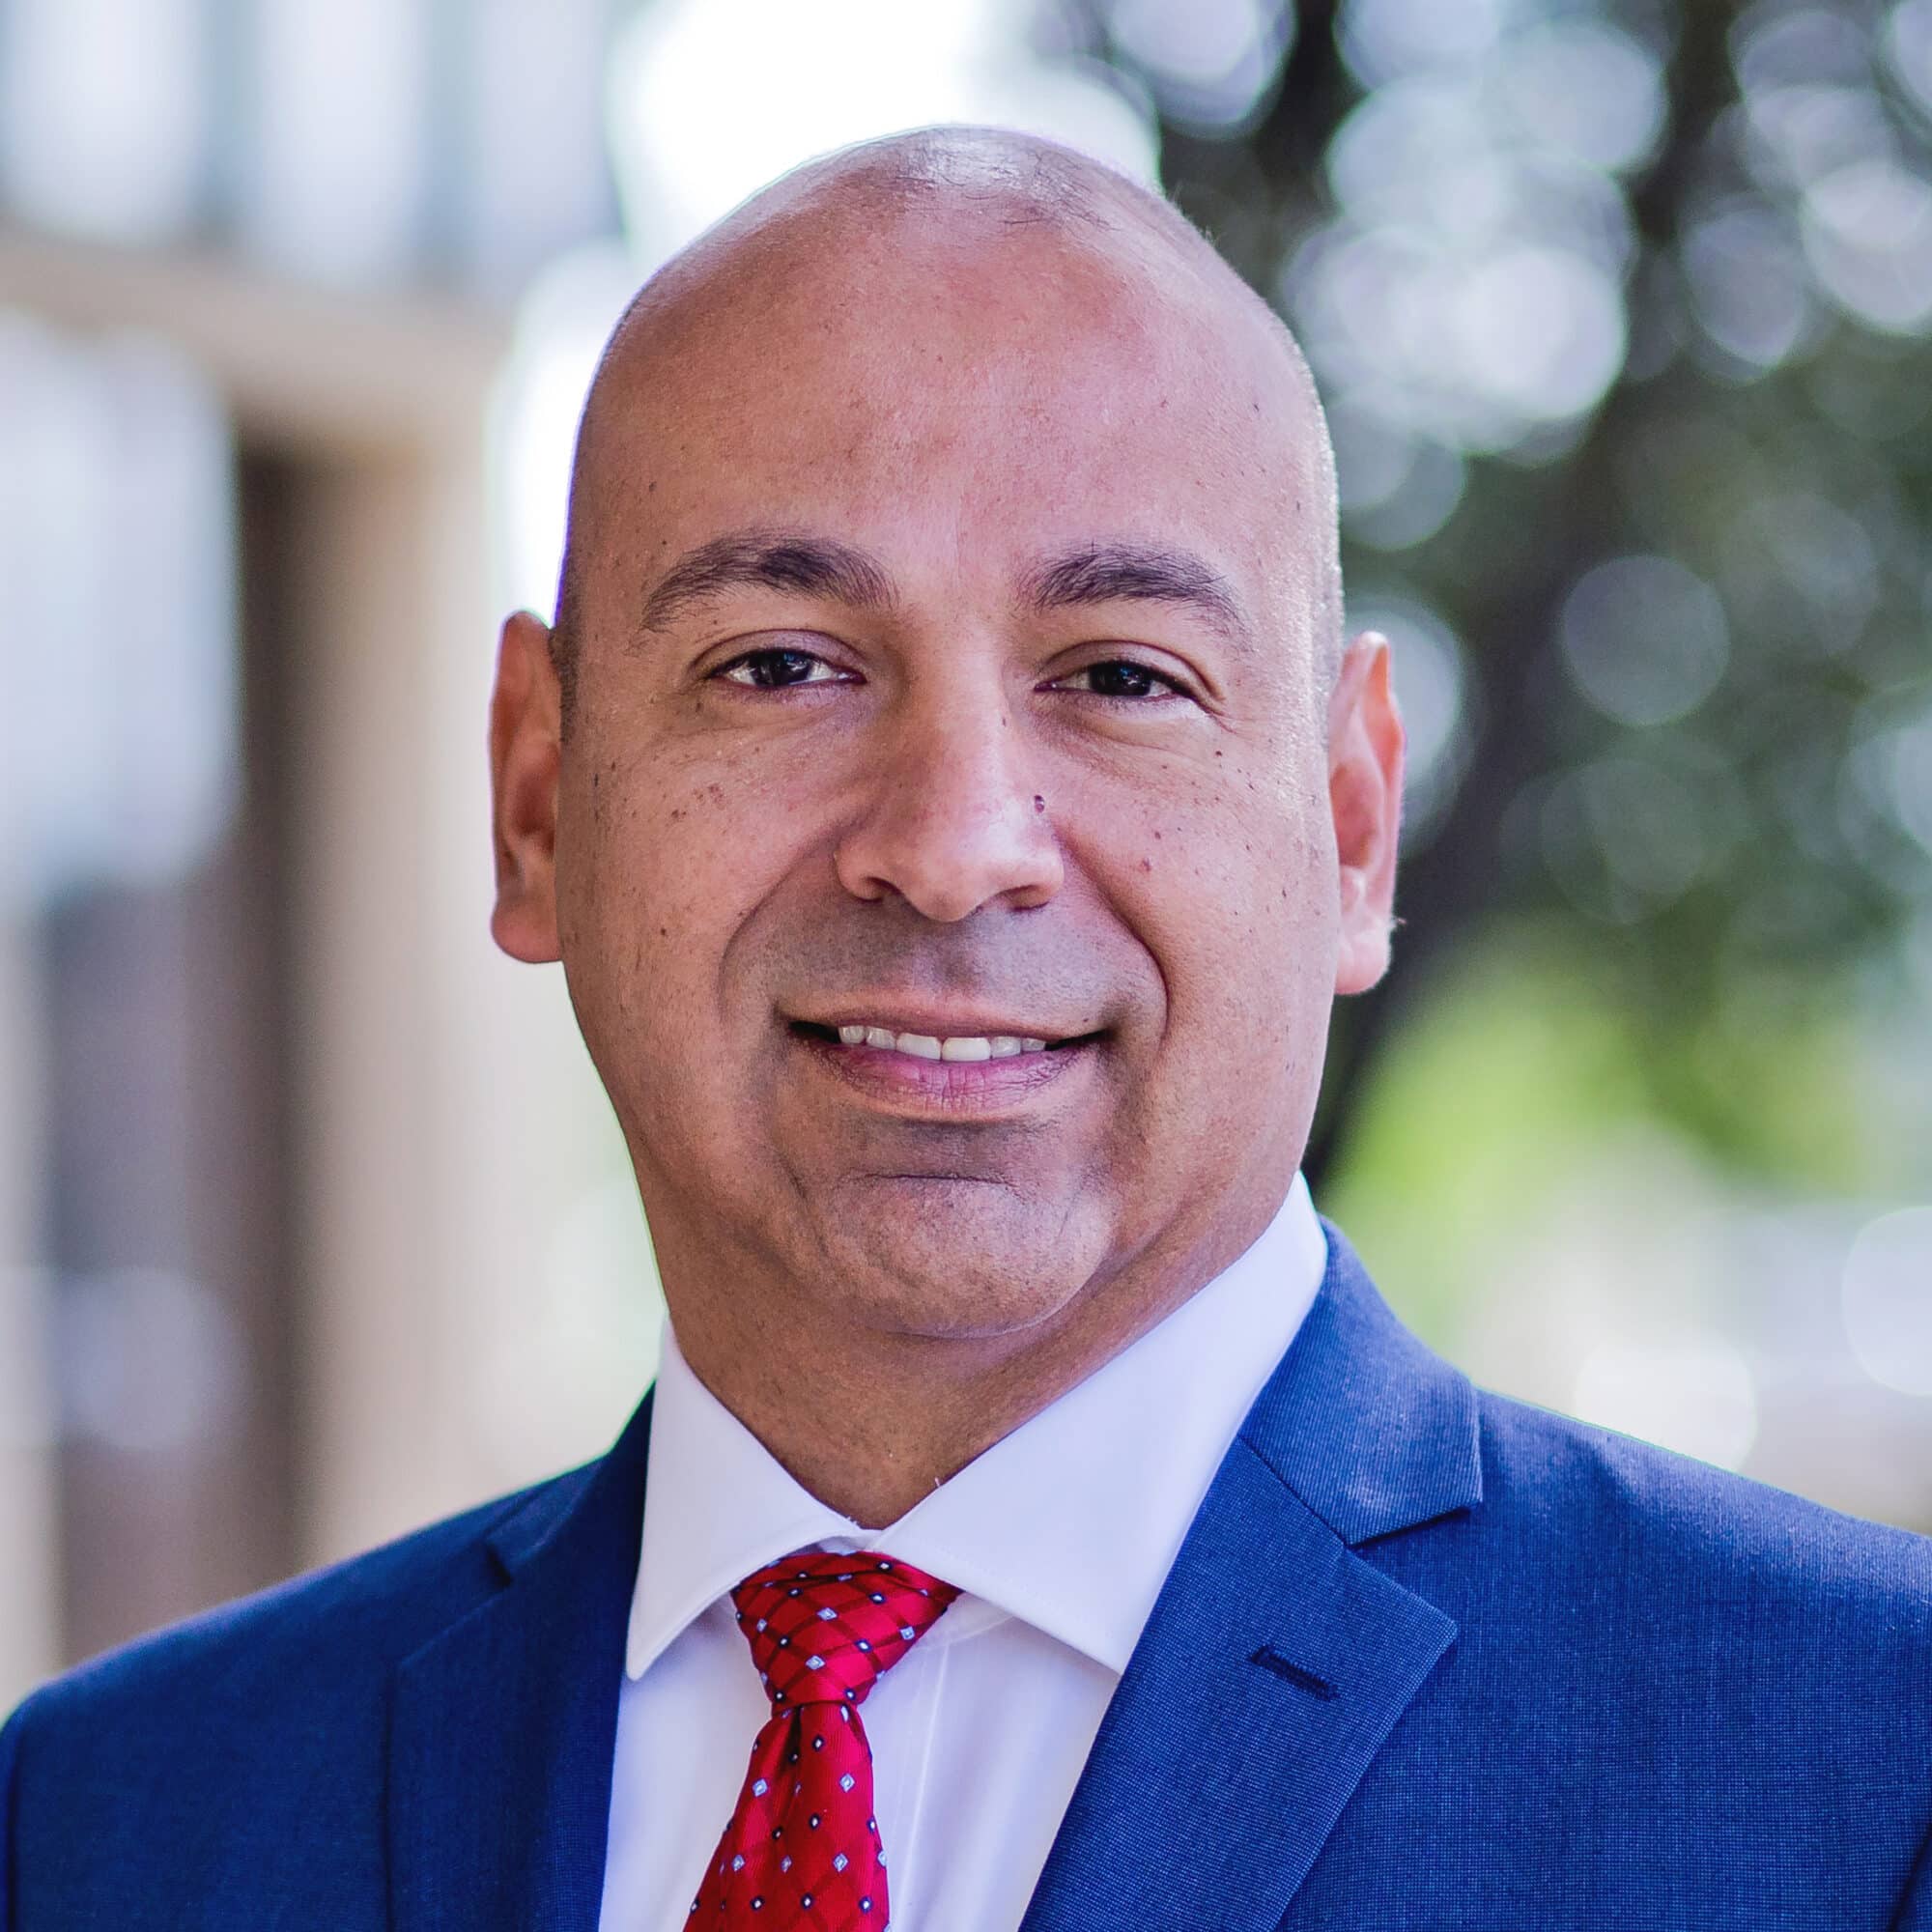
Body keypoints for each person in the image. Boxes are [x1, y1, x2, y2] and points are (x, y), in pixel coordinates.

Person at [3, 125, 1928, 1932]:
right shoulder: (109, 1826)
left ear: (1347, 825)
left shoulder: (1866, 1780)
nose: (947, 846)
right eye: (779, 664)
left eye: (1118, 674)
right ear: (535, 800)